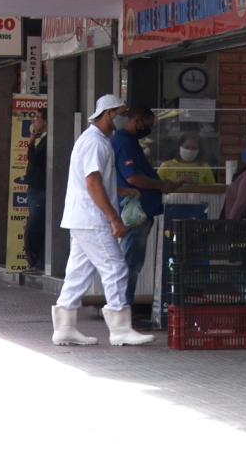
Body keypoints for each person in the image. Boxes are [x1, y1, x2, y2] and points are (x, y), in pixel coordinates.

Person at [51, 94, 155, 347]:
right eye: (122, 113)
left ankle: (64, 328)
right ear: (109, 114)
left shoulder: (94, 140)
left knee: (78, 273)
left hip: (82, 217)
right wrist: (114, 219)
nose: (126, 118)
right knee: (116, 268)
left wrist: (119, 190)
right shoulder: (96, 143)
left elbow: (93, 181)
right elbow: (92, 182)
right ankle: (120, 329)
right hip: (92, 218)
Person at [112, 104, 185, 308]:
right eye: (148, 125)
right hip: (135, 214)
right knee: (130, 265)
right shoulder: (125, 143)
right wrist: (162, 185)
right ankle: (122, 312)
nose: (148, 130)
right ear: (137, 121)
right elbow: (134, 177)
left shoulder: (128, 141)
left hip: (139, 211)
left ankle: (122, 311)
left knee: (131, 264)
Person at [24, 107, 49, 273]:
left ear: (46, 121)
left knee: (36, 226)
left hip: (40, 188)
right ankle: (37, 261)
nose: (34, 121)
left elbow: (35, 160)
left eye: (37, 118)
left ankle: (37, 261)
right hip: (36, 188)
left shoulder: (47, 140)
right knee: (35, 224)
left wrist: (31, 143)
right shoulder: (44, 139)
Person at [220, 131, 246, 220]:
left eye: (244, 146)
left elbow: (241, 206)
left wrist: (228, 228)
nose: (242, 151)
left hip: (237, 229)